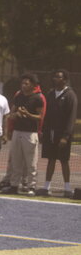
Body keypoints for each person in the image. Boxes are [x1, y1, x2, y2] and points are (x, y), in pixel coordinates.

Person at [2, 74, 44, 196]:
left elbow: (40, 117)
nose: (23, 85)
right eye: (22, 83)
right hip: (17, 131)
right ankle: (14, 185)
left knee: (31, 162)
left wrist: (28, 114)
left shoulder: (37, 98)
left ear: (33, 85)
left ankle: (31, 186)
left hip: (30, 133)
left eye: (26, 83)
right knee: (16, 160)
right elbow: (11, 114)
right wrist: (16, 115)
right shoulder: (19, 96)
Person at [39, 69, 77, 198]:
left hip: (63, 134)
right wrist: (43, 131)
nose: (55, 79)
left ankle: (67, 188)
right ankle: (46, 187)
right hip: (50, 133)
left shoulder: (70, 95)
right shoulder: (50, 94)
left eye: (59, 77)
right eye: (55, 76)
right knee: (51, 159)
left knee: (64, 161)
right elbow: (46, 114)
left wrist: (66, 136)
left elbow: (71, 118)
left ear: (65, 80)